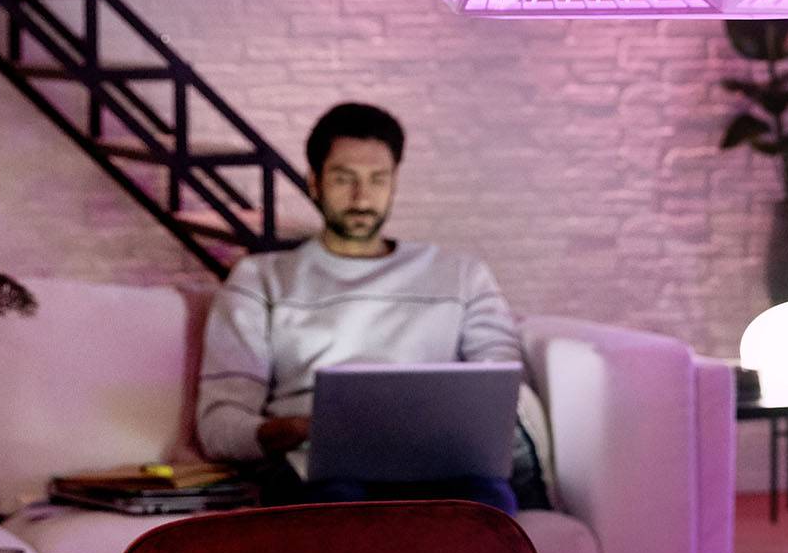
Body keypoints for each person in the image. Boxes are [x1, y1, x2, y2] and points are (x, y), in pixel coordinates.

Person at [196, 101, 535, 514]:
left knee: (487, 505)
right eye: (344, 179)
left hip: (440, 464)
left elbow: (500, 387)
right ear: (314, 183)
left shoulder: (462, 276)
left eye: (378, 179)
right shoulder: (260, 279)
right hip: (318, 470)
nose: (362, 197)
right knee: (338, 507)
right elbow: (218, 423)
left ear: (394, 183)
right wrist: (285, 431)